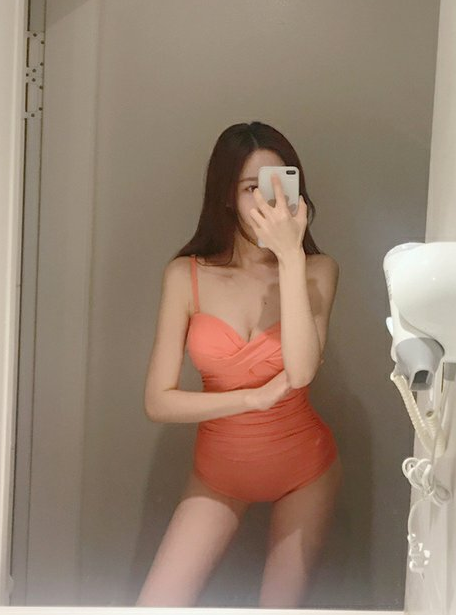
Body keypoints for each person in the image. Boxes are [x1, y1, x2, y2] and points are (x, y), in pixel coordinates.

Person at [136, 121, 342, 607]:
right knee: (155, 606)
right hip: (218, 473)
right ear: (227, 195)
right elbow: (157, 402)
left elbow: (301, 371)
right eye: (253, 187)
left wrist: (290, 257)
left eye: (280, 184)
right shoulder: (185, 275)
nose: (270, 200)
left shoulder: (318, 270)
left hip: (305, 469)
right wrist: (251, 399)